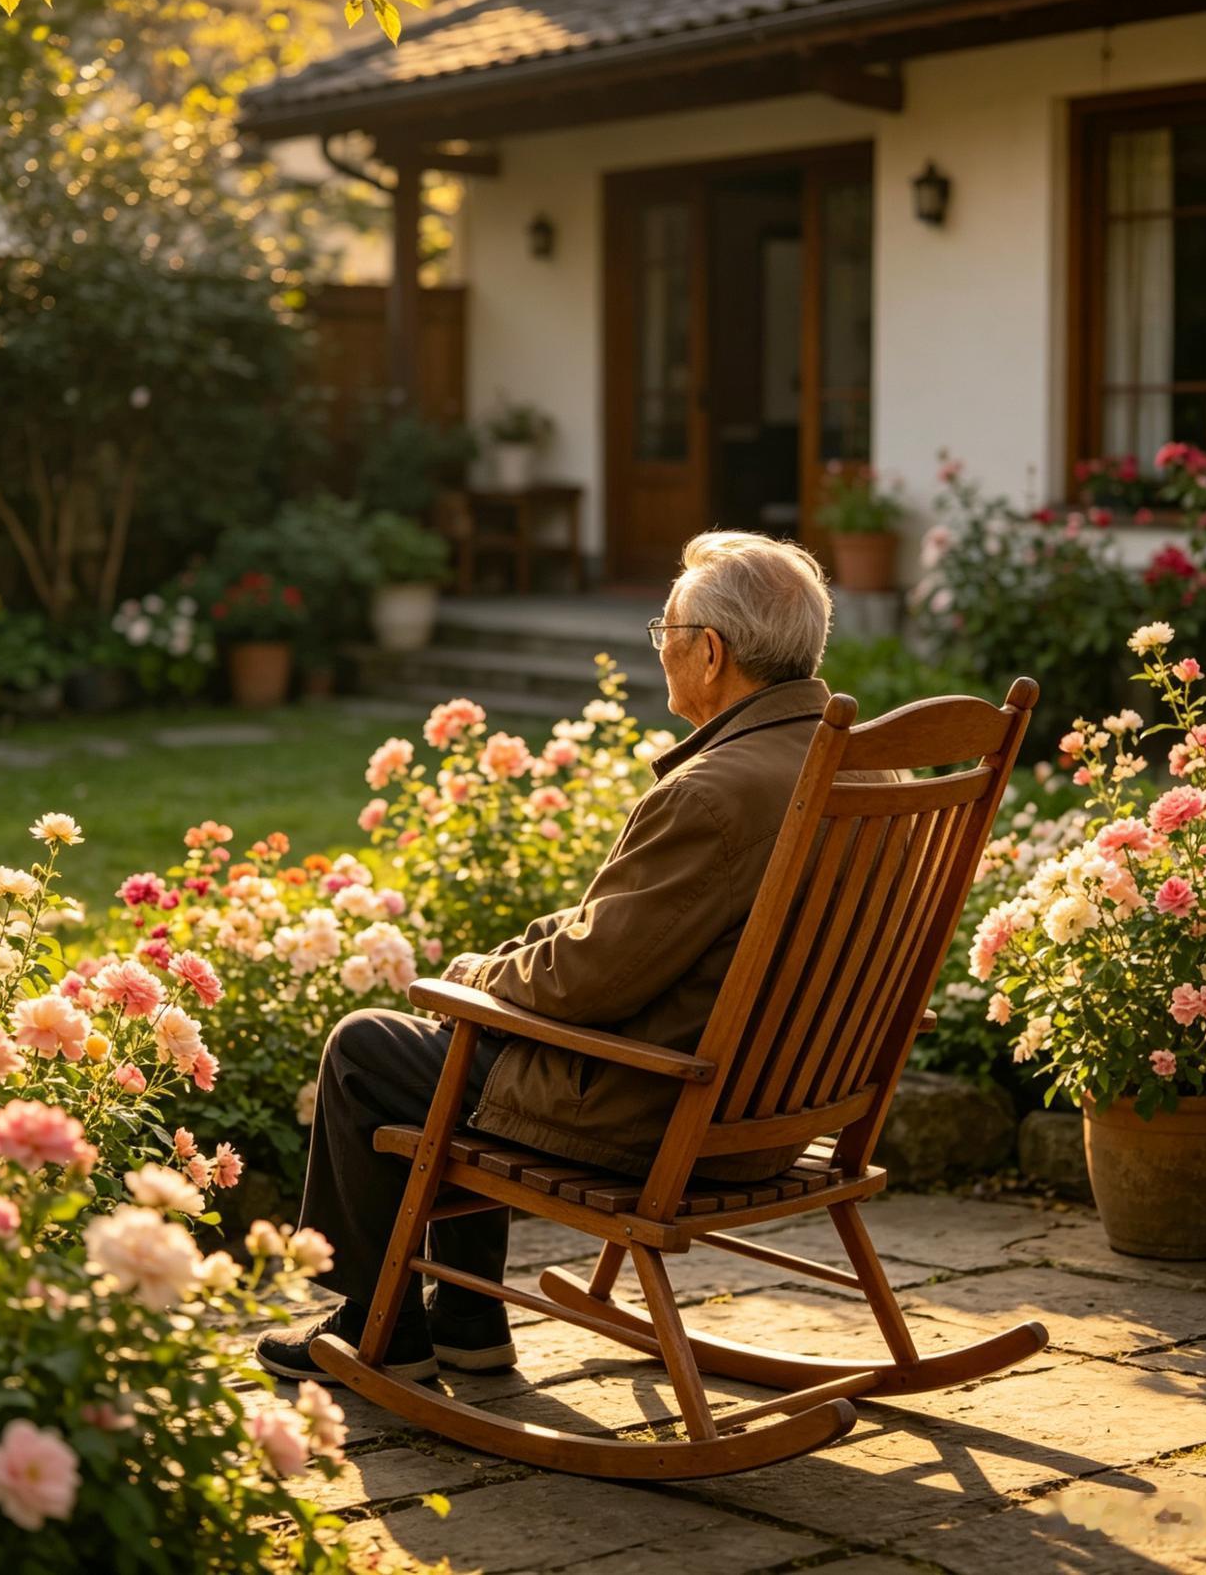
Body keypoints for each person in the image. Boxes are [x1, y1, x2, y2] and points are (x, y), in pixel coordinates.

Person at [256, 530, 873, 1385]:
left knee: (370, 1048)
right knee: (464, 1043)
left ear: (711, 651)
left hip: (664, 1116)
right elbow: (625, 935)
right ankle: (469, 1319)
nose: (660, 651)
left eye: (665, 634)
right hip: (792, 1113)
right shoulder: (864, 774)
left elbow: (588, 980)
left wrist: (474, 978)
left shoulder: (715, 791)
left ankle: (377, 1325)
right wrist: (511, 959)